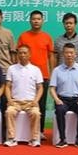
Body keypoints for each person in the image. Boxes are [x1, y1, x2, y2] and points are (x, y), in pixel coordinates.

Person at [15, 9, 54, 137]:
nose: (36, 21)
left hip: (43, 76)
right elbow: (18, 55)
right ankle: (23, 131)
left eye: (38, 19)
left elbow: (51, 56)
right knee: (23, 102)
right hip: (25, 76)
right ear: (30, 21)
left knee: (40, 104)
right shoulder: (23, 36)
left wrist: (52, 73)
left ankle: (40, 131)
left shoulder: (47, 37)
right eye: (34, 19)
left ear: (42, 21)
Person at [50, 43, 78, 148]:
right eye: (67, 52)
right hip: (62, 99)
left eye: (71, 53)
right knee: (59, 110)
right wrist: (56, 99)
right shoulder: (57, 70)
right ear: (63, 54)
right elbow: (52, 88)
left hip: (77, 99)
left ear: (75, 54)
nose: (69, 55)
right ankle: (62, 139)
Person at [4, 44, 44, 147]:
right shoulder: (11, 69)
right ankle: (11, 138)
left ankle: (34, 139)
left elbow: (40, 88)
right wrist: (9, 99)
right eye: (20, 53)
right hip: (15, 102)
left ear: (29, 54)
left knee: (36, 113)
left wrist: (36, 101)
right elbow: (7, 86)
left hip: (30, 102)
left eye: (25, 53)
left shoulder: (36, 69)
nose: (22, 55)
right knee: (9, 112)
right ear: (17, 54)